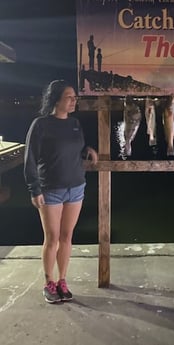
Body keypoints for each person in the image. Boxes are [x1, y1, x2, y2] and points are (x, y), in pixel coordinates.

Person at [24, 80, 98, 304]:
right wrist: (34, 189)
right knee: (52, 238)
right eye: (69, 97)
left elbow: (74, 148)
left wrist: (88, 150)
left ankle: (62, 281)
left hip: (76, 187)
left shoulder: (75, 123)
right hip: (50, 191)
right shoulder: (41, 124)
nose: (74, 100)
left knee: (67, 237)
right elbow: (30, 160)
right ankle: (49, 282)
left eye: (75, 97)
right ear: (56, 99)